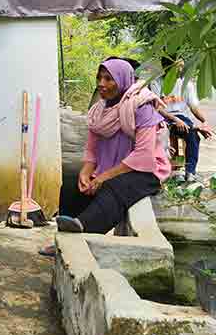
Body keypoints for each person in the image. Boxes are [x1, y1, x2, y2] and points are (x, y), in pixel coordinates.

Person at [55, 59, 171, 235]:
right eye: (99, 78)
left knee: (112, 186)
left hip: (147, 170)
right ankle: (62, 237)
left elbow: (143, 154)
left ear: (123, 80)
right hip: (113, 167)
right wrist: (86, 171)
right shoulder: (98, 111)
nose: (101, 84)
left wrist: (102, 177)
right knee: (72, 184)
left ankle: (83, 229)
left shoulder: (141, 106)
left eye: (109, 79)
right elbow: (92, 149)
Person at [160, 58, 213, 181]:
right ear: (167, 67)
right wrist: (174, 120)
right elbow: (157, 109)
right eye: (178, 67)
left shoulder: (186, 84)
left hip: (181, 117)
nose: (181, 70)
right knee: (164, 137)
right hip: (162, 117)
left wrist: (204, 122)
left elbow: (193, 107)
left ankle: (190, 172)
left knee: (194, 135)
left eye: (182, 66)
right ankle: (166, 171)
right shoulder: (157, 83)